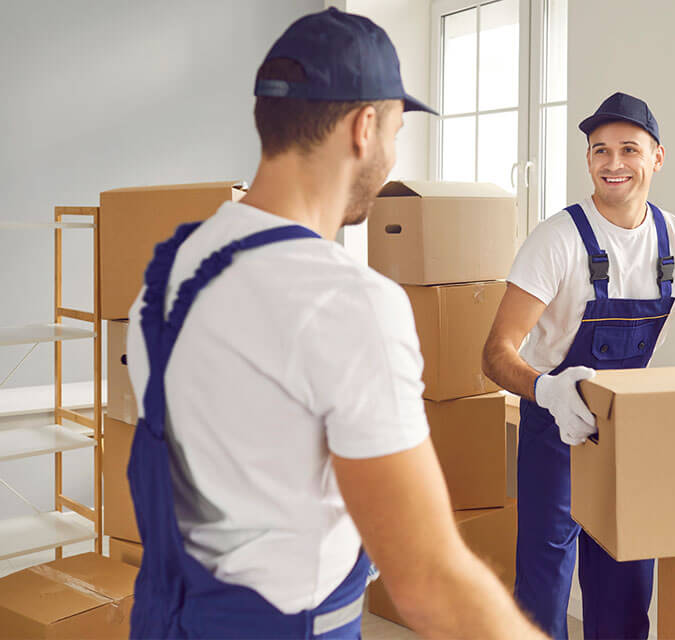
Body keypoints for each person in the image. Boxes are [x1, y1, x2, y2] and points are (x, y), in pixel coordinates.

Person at [124, 9, 544, 639]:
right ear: (363, 127)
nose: (393, 155)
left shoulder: (173, 269)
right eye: (397, 132)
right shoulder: (347, 302)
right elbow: (429, 580)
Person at [482, 91, 675, 640]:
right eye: (599, 151)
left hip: (631, 433)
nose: (613, 164)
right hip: (556, 428)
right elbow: (496, 353)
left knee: (625, 588)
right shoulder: (558, 239)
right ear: (588, 160)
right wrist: (547, 392)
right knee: (544, 590)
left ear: (657, 157)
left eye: (628, 149)